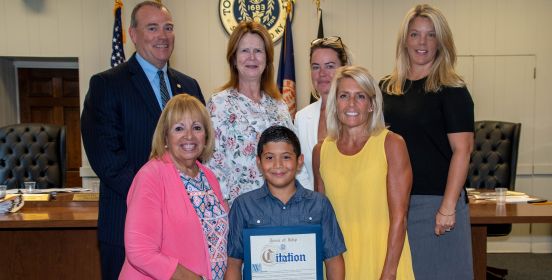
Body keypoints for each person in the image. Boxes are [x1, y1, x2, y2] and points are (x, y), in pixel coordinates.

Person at [80, 1, 204, 278]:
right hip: (126, 226)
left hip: (184, 232)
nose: (163, 35)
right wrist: (161, 201)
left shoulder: (190, 85)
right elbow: (107, 160)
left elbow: (199, 149)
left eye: (168, 28)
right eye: (152, 28)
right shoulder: (107, 85)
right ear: (133, 35)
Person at [380, 4, 475, 279]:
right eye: (415, 34)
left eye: (431, 35)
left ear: (441, 42)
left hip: (436, 205)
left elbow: (462, 151)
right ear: (404, 40)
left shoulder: (452, 89)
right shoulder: (386, 88)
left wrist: (447, 207)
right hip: (393, 203)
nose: (422, 42)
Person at [313, 65, 415, 279]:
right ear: (335, 102)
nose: (351, 104)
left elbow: (399, 218)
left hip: (383, 260)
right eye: (344, 96)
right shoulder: (321, 151)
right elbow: (321, 220)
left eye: (360, 96)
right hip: (337, 264)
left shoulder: (391, 144)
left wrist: (388, 272)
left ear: (371, 104)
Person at [119, 94, 227, 279]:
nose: (189, 136)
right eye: (179, 128)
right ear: (165, 137)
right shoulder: (150, 176)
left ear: (206, 135)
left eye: (197, 128)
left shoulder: (209, 176)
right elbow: (140, 250)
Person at [207, 21, 310, 206]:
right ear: (233, 58)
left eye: (258, 51)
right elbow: (213, 166)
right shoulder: (219, 104)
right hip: (238, 211)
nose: (252, 57)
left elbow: (293, 158)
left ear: (267, 58)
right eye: (245, 51)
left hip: (279, 210)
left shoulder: (279, 106)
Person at [226, 125, 346, 280]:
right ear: (259, 162)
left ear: (300, 161)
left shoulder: (319, 205)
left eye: (286, 157)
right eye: (269, 157)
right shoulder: (243, 206)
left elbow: (334, 261)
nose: (278, 165)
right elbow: (234, 264)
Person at [294, 36, 351, 190]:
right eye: (316, 67)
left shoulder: (357, 113)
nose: (322, 73)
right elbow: (299, 168)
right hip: (314, 206)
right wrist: (313, 201)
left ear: (344, 68)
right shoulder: (301, 118)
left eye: (330, 66)